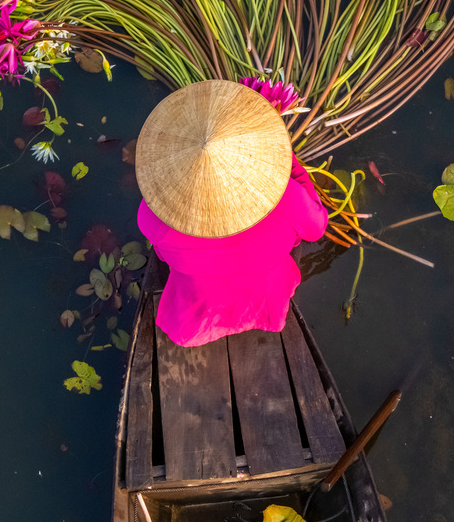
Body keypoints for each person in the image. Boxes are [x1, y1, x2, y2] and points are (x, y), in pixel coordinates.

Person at [135, 79, 328, 347]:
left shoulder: (153, 214)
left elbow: (160, 250)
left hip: (198, 307)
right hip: (262, 297)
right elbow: (316, 227)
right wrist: (287, 160)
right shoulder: (285, 196)